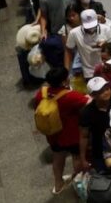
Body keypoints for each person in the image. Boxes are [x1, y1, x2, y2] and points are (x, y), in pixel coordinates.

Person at [33, 67, 88, 195]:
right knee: (77, 157)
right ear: (64, 81)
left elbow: (37, 107)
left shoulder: (42, 93)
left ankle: (58, 184)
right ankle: (79, 183)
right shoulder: (70, 96)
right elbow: (88, 102)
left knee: (57, 157)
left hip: (53, 135)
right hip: (72, 135)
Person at [79, 77, 111, 173]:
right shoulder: (86, 112)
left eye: (107, 89)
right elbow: (84, 136)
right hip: (100, 153)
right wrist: (83, 159)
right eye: (100, 91)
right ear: (92, 95)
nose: (105, 92)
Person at [65, 8, 111, 79]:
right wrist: (66, 71)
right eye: (88, 26)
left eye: (92, 25)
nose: (91, 28)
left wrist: (105, 45)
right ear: (81, 22)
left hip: (107, 69)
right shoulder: (74, 33)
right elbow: (68, 50)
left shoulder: (106, 29)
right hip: (89, 73)